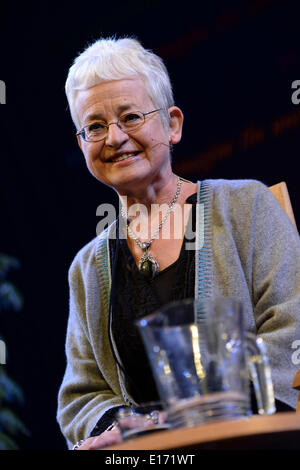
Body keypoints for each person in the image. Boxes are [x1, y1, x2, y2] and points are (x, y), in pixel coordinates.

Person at [57, 36, 300, 450]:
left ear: (173, 125)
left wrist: (208, 421)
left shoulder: (246, 207)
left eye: (131, 117)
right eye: (95, 126)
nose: (114, 137)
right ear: (82, 144)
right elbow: (83, 394)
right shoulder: (87, 268)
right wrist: (132, 429)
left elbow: (292, 330)